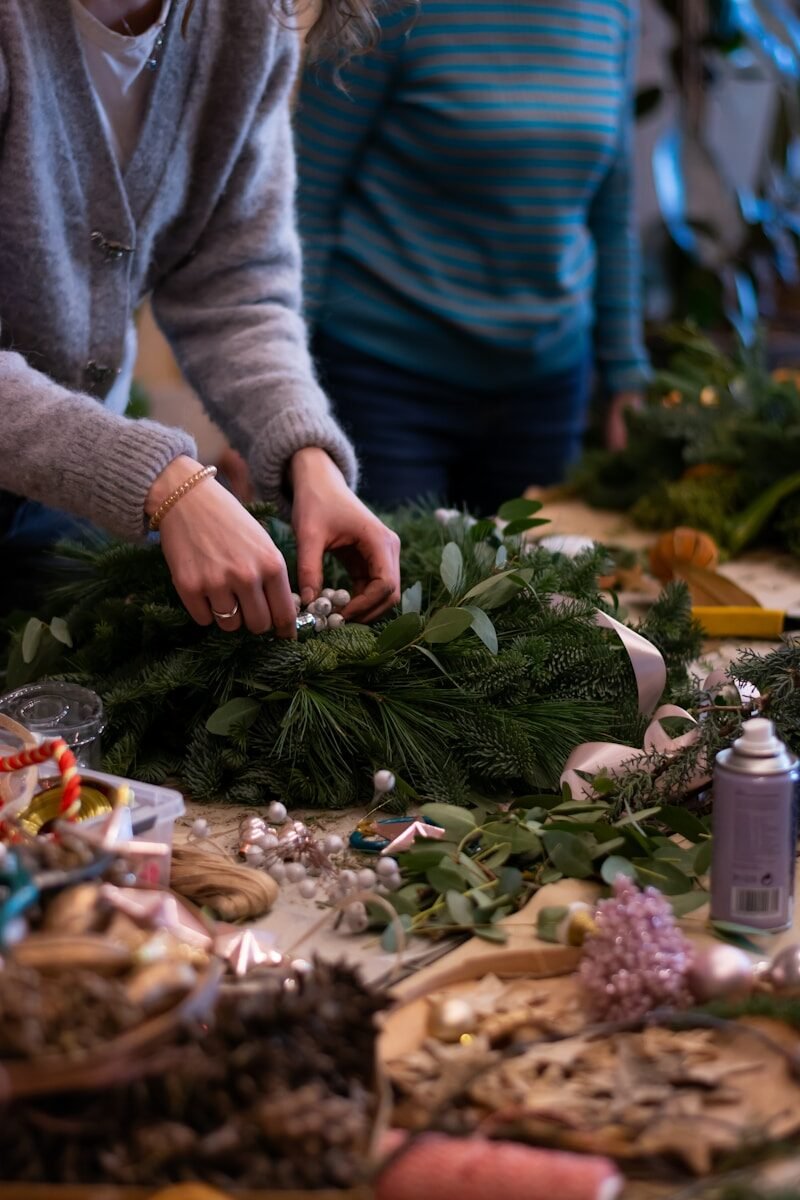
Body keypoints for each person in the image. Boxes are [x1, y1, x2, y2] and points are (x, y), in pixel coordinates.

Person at [0, 0, 400, 633]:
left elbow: (237, 284)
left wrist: (305, 455)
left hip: (59, 487)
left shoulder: (244, 22)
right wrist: (161, 481)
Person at [295, 0, 651, 515]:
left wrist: (626, 377)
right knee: (391, 591)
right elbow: (305, 197)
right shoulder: (389, 7)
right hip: (384, 385)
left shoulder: (613, 11)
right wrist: (285, 396)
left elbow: (612, 214)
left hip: (547, 392)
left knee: (542, 591)